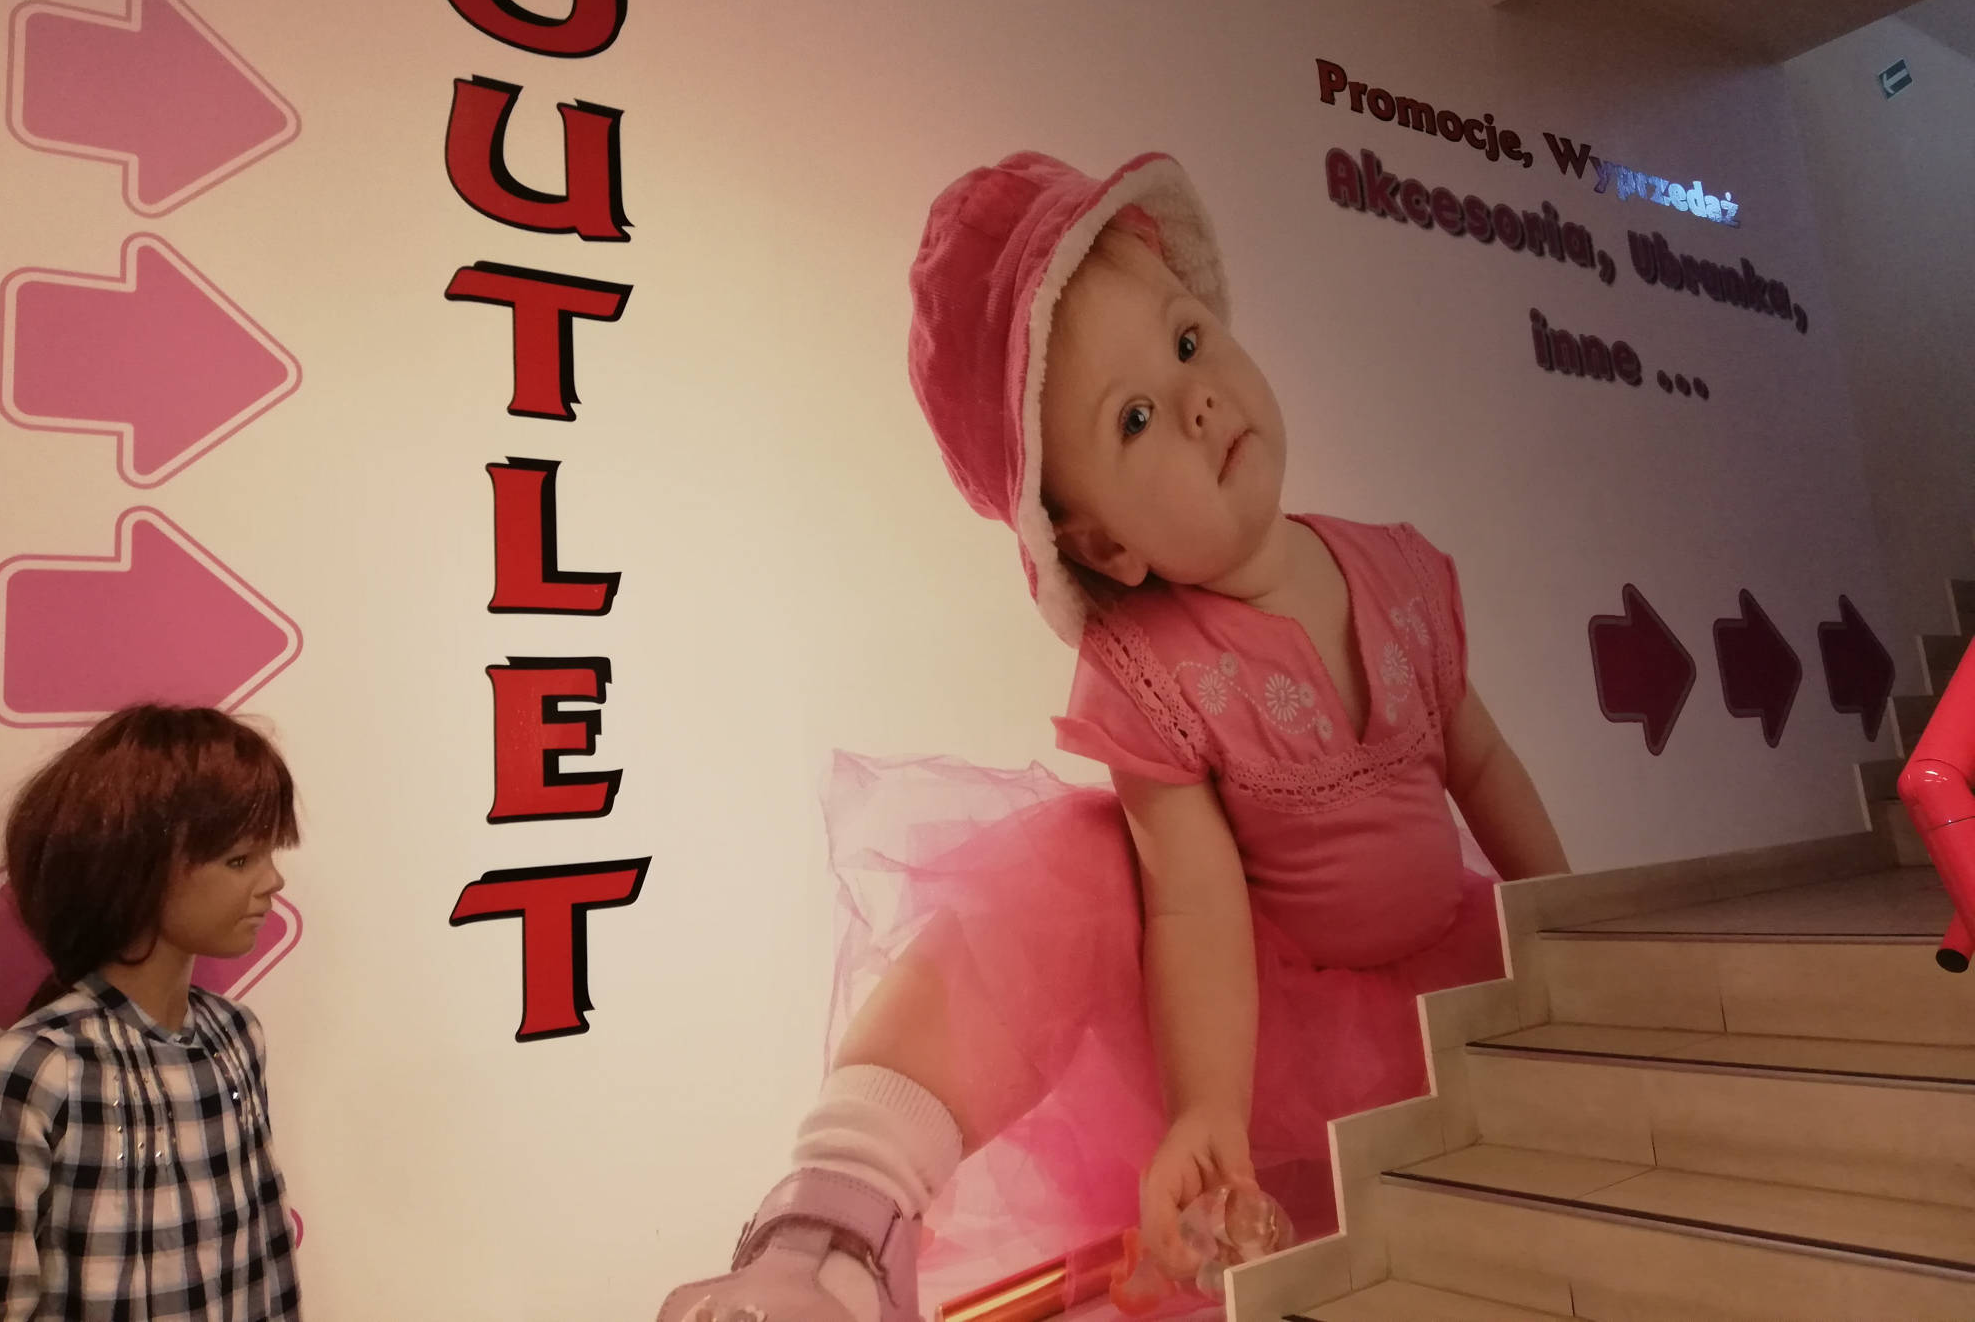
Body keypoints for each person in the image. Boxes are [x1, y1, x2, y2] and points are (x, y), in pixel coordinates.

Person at [660, 152, 1571, 1322]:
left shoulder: (1397, 569)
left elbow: (1479, 765)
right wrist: (1207, 1106)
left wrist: (1568, 924)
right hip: (1255, 1012)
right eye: (1133, 418)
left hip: (1443, 967)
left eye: (1188, 342)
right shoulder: (1155, 668)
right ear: (1105, 549)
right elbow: (1194, 903)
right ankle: (833, 1228)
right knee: (1076, 862)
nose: (1195, 402)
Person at [0, 704, 304, 1320]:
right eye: (239, 860)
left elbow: (263, 1251)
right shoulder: (39, 1067)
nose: (273, 881)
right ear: (136, 869)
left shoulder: (236, 1037)